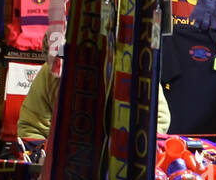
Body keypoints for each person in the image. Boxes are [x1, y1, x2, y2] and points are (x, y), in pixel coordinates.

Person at [18, 49, 170, 141]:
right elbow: (32, 128)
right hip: (63, 171)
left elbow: (158, 118)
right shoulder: (55, 70)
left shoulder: (136, 70)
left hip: (123, 171)